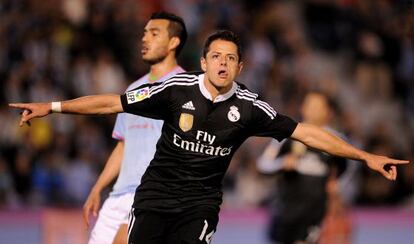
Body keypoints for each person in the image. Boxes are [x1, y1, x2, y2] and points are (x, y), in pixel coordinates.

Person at [10, 30, 409, 244]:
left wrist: (364, 156)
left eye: (231, 57)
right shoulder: (174, 90)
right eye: (216, 56)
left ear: (239, 66)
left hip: (198, 207)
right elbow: (111, 103)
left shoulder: (250, 108)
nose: (223, 63)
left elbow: (307, 133)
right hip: (154, 199)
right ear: (203, 62)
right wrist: (55, 106)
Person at [82, 11, 187, 244]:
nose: (145, 38)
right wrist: (98, 187)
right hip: (118, 195)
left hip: (152, 195)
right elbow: (123, 145)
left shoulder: (185, 88)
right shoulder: (134, 90)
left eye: (154, 33)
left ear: (173, 42)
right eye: (144, 33)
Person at [257, 92, 351, 244]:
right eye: (309, 105)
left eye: (317, 106)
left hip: (314, 212)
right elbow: (263, 164)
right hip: (285, 210)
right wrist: (282, 163)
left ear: (328, 112)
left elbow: (347, 170)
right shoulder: (288, 134)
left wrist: (336, 186)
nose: (312, 110)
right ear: (303, 108)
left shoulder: (336, 141)